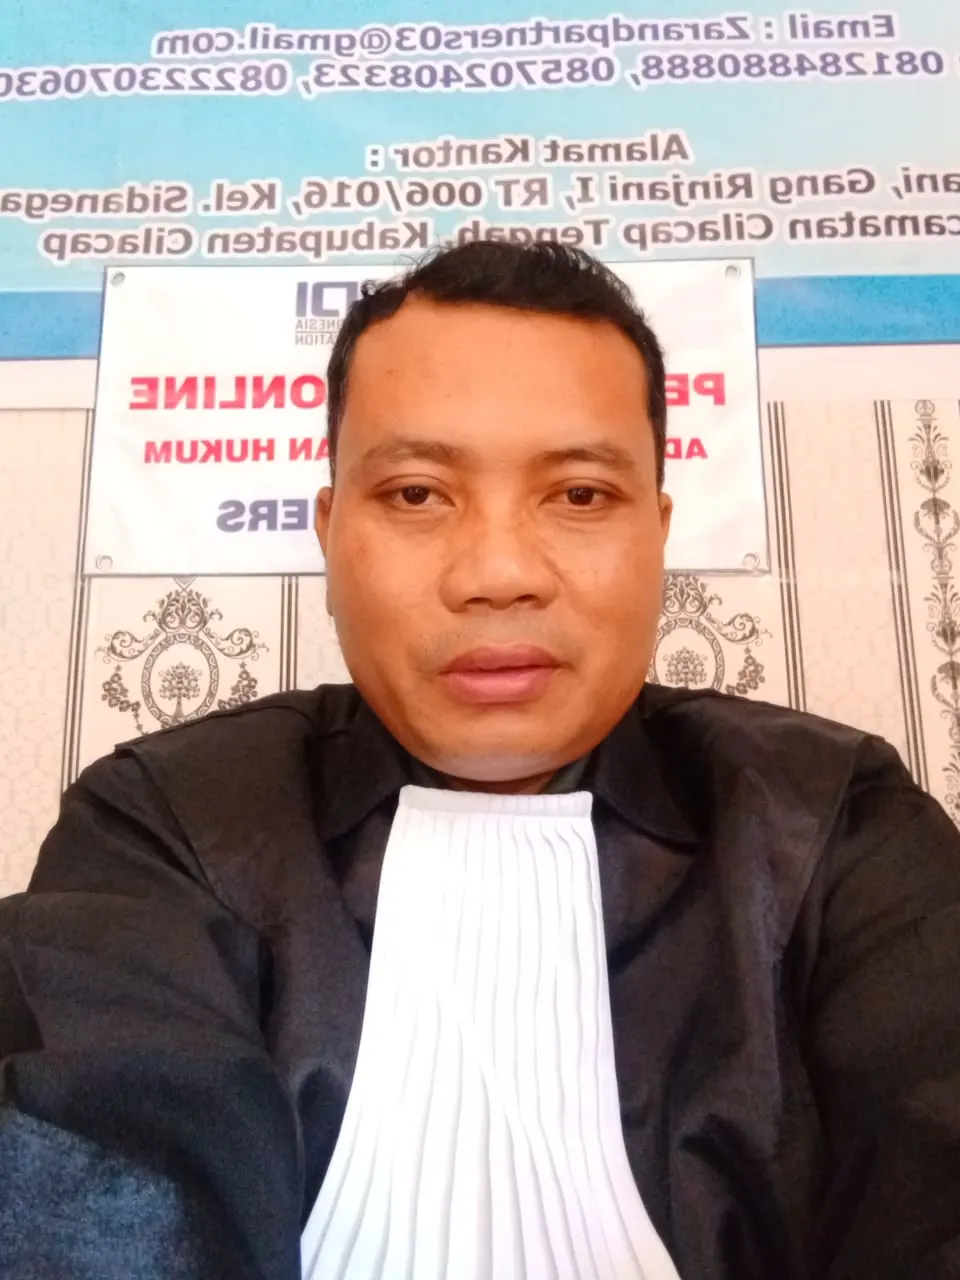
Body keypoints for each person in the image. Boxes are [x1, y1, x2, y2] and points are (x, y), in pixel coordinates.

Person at [2, 241, 959, 1280]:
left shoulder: (828, 825)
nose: (499, 573)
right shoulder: (169, 821)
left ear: (658, 532)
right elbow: (100, 1197)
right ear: (329, 531)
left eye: (581, 495)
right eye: (417, 494)